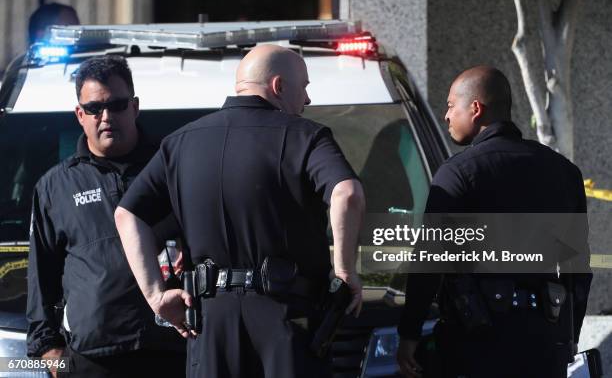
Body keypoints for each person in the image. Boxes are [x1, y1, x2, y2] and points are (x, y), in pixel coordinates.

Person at [114, 44, 365, 378]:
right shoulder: (306, 136)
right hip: (287, 322)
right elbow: (347, 193)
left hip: (210, 324)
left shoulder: (179, 143)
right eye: (304, 87)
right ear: (278, 86)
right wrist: (345, 271)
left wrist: (156, 295)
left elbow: (127, 215)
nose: (307, 100)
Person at [396, 66, 592, 378]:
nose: (446, 116)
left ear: (475, 109)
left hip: (476, 342)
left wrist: (409, 334)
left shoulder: (458, 173)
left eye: (450, 106)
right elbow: (578, 267)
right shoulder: (564, 172)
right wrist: (568, 337)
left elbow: (429, 261)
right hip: (543, 342)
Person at [26, 55, 185, 377]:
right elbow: (42, 275)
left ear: (135, 106)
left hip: (174, 346)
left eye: (117, 105)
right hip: (93, 357)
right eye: (95, 108)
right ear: (79, 114)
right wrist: (48, 349)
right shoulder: (55, 186)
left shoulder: (173, 168)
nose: (106, 116)